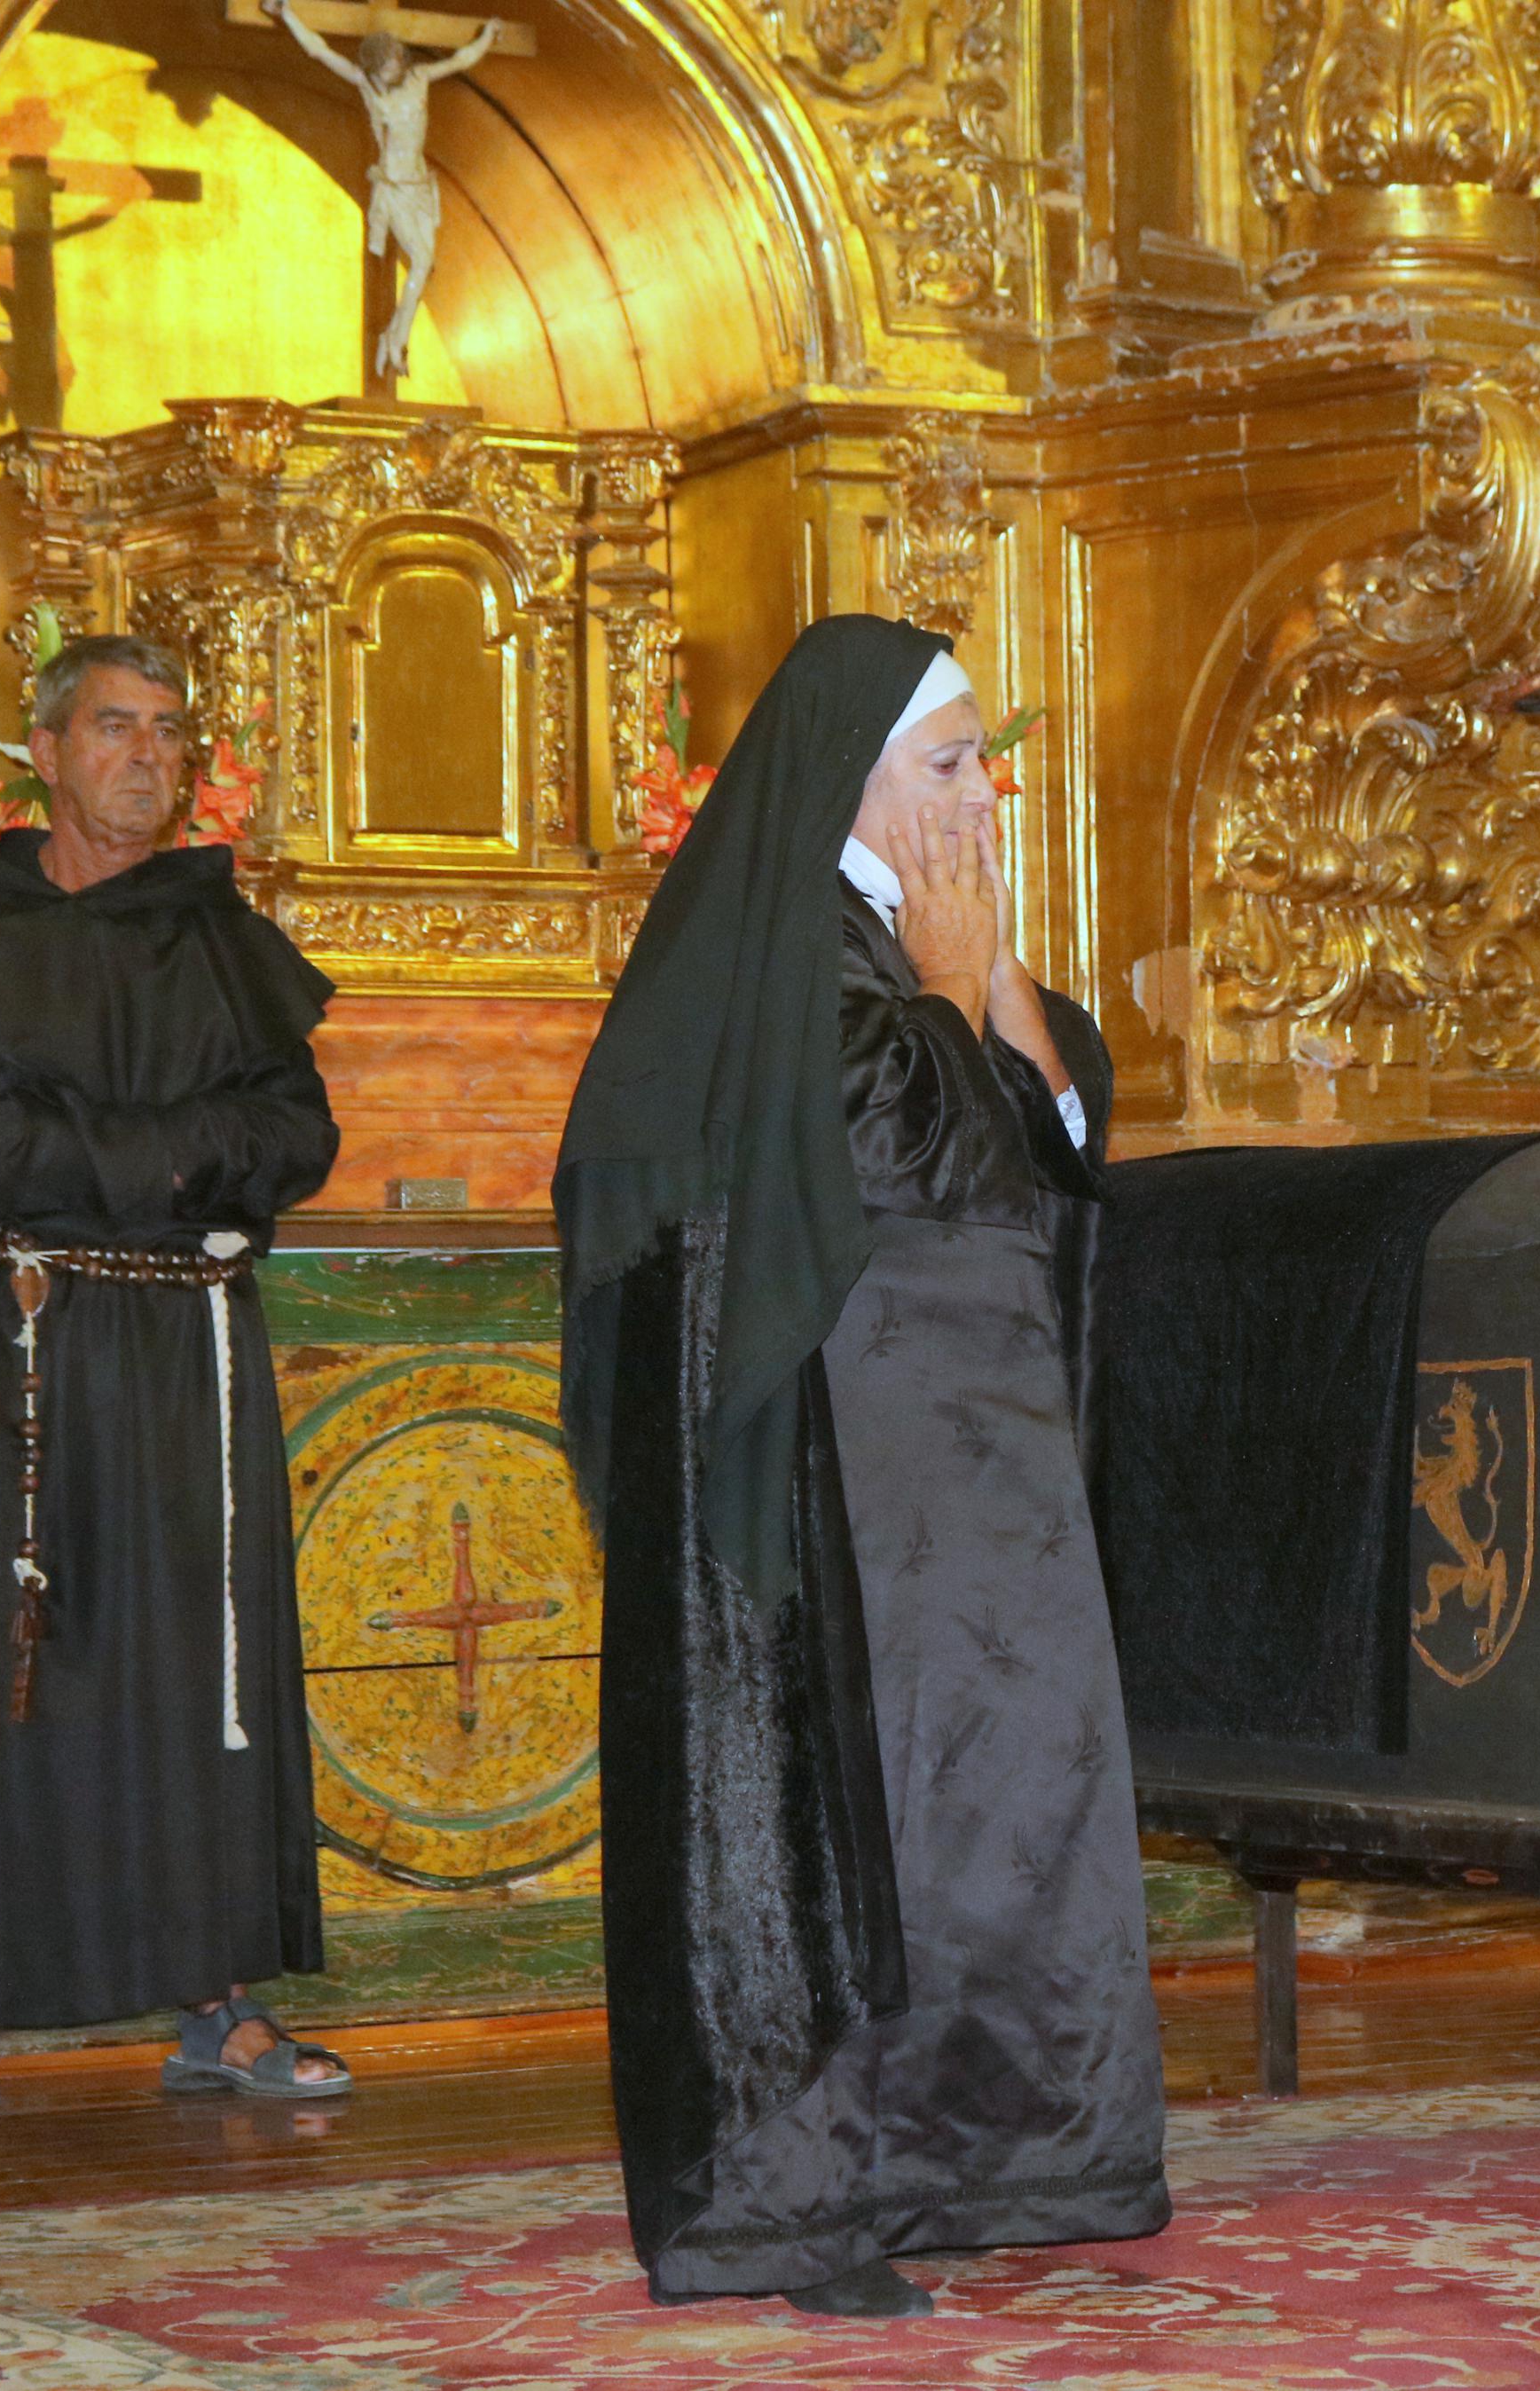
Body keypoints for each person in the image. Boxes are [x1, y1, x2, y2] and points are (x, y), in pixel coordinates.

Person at [555, 614, 1165, 2320]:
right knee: (860, 1817)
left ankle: (979, 2160)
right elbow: (898, 1149)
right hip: (847, 1479)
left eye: (986, 757)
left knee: (996, 1795)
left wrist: (994, 988)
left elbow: (1056, 1142)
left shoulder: (924, 933)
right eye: (951, 762)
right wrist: (962, 992)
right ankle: (803, 2192)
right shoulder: (784, 948)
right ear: (853, 775)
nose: (986, 792)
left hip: (978, 1459)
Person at [0, 633, 349, 2125]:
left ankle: (218, 2001)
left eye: (171, 731)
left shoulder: (216, 933)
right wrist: (175, 1154)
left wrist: (96, 1154)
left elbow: (295, 1141)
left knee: (198, 1665)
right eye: (117, 728)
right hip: (19, 1334)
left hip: (187, 1344)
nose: (149, 755)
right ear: (47, 753)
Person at [264, 0, 504, 380]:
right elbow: (318, 50)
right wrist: (286, 13)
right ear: (376, 65)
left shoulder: (420, 77)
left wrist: (489, 34)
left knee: (425, 268)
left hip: (420, 187)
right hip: (394, 191)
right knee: (422, 263)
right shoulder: (367, 86)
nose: (395, 67)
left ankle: (393, 338)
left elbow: (461, 60)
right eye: (388, 63)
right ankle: (395, 341)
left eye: (398, 60)